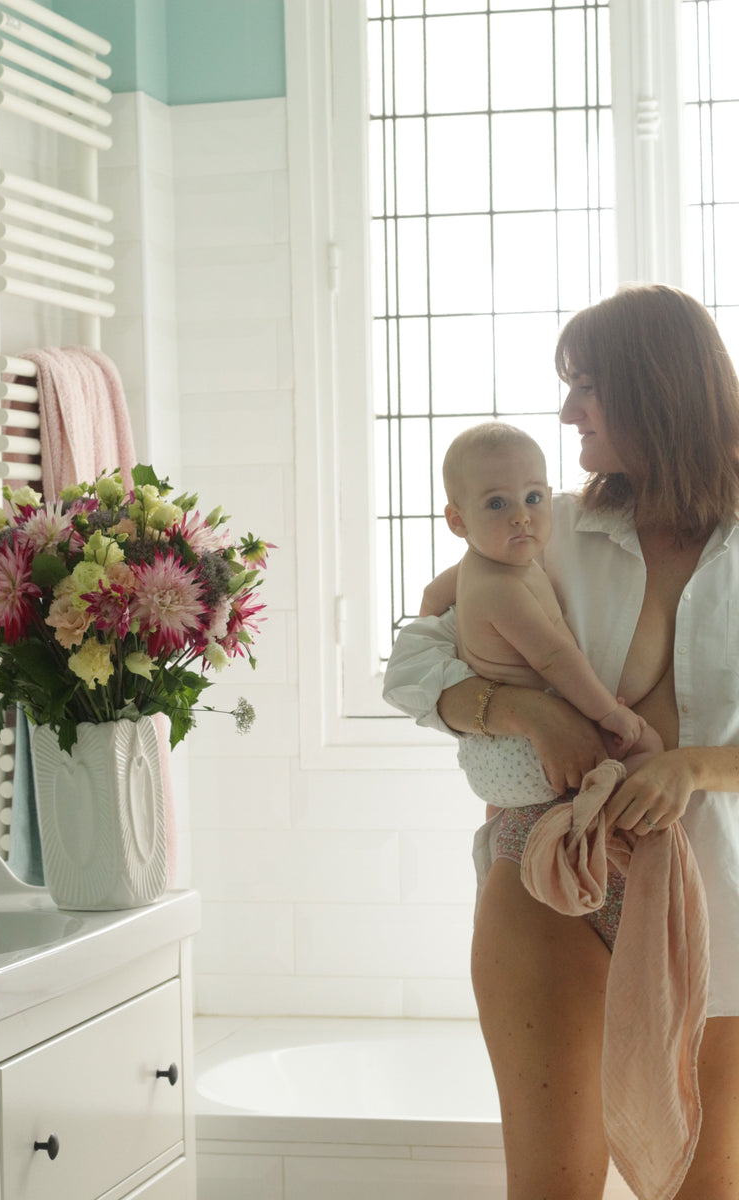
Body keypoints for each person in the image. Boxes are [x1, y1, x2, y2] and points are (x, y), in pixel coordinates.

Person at [383, 284, 739, 1199]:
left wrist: (693, 767)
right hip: (551, 880)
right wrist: (518, 711)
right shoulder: (552, 529)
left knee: (707, 1186)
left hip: (719, 902)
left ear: (656, 388)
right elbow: (418, 653)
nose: (567, 410)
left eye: (587, 386)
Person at [442, 420, 661, 769]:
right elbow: (553, 658)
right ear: (457, 521)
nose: (521, 517)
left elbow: (429, 598)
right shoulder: (501, 589)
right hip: (523, 748)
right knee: (645, 746)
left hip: (500, 745)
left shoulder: (479, 565)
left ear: (548, 492)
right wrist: (609, 711)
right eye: (497, 504)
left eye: (532, 498)